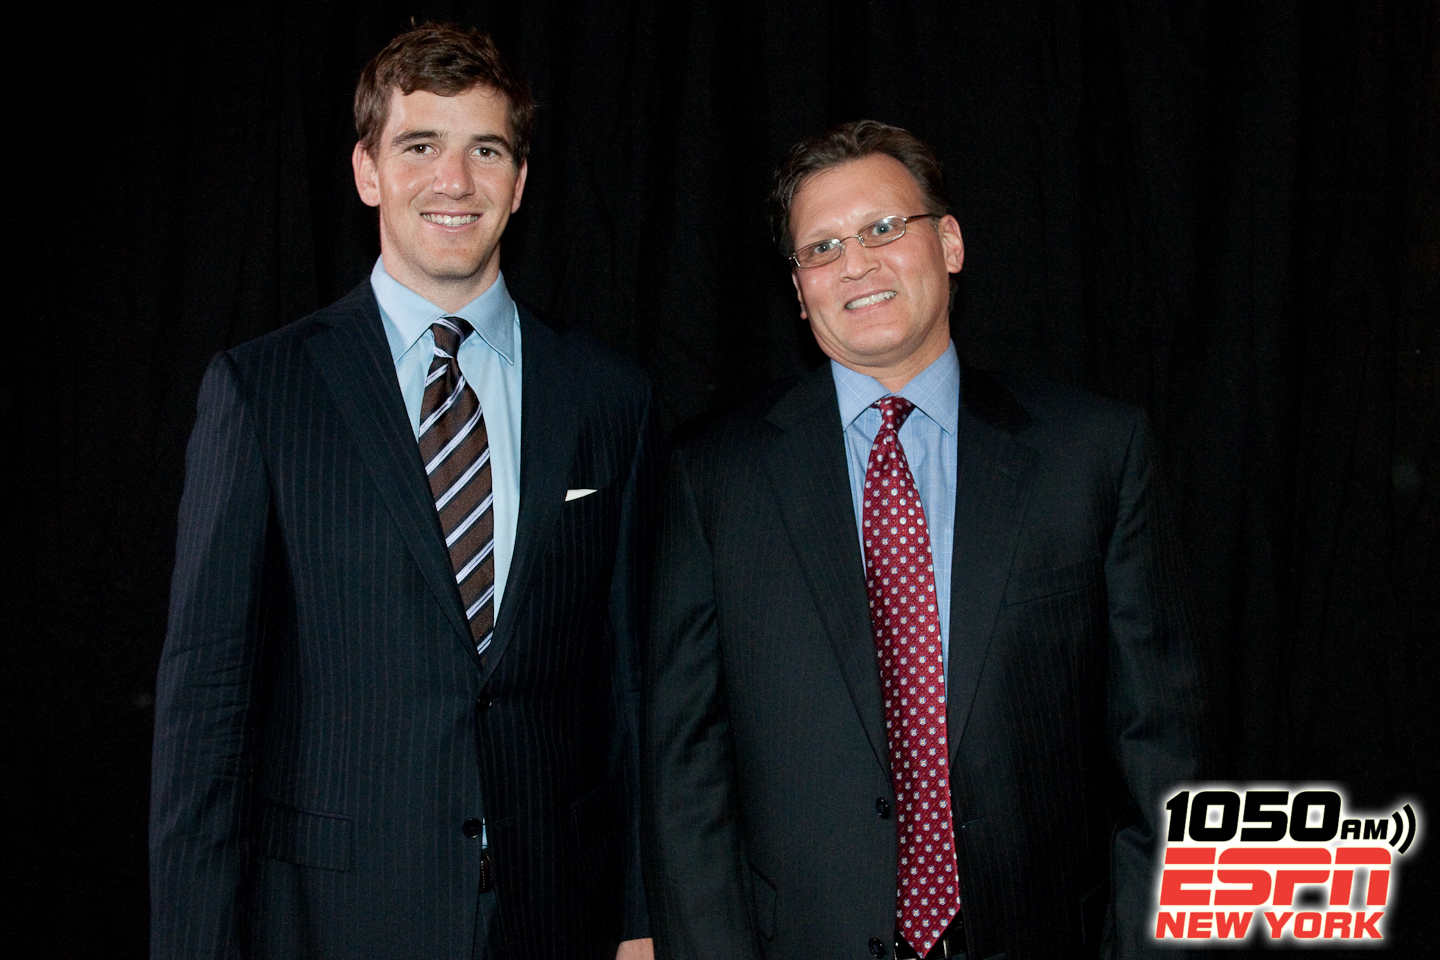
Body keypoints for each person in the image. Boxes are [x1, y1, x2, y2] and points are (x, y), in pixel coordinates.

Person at [150, 23, 654, 959]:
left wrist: (639, 921)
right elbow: (207, 708)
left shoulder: (608, 396)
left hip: (555, 917)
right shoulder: (265, 390)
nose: (453, 180)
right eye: (420, 145)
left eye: (486, 150)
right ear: (367, 171)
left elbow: (625, 683)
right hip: (332, 919)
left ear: (520, 182)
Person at [644, 119, 1203, 959]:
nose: (856, 264)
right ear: (798, 290)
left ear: (949, 243)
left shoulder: (1092, 455)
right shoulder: (711, 479)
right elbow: (686, 775)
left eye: (882, 229)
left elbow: (1160, 755)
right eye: (822, 248)